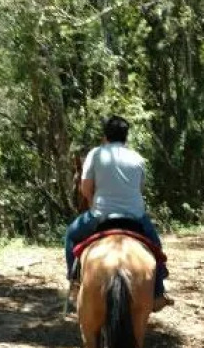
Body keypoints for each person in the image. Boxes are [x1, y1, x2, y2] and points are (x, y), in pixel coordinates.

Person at [65, 116, 172, 309]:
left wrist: (92, 203)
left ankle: (74, 283)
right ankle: (157, 292)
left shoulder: (95, 154)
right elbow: (139, 189)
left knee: (71, 236)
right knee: (156, 247)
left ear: (105, 136)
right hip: (135, 216)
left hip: (101, 215)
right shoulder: (137, 158)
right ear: (126, 137)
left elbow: (86, 188)